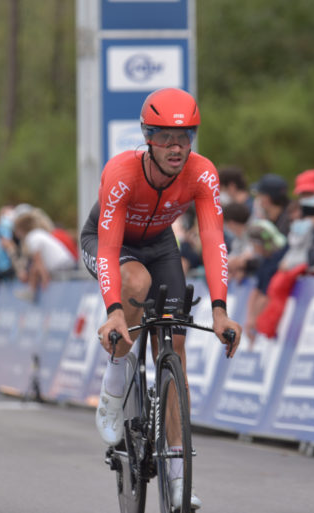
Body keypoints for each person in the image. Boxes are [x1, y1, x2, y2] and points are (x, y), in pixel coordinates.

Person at [80, 87, 242, 510]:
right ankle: (115, 380)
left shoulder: (202, 173)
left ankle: (177, 475)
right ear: (148, 138)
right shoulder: (122, 172)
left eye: (184, 137)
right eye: (166, 137)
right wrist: (115, 312)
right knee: (135, 281)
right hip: (108, 242)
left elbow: (213, 240)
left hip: (160, 244)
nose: (176, 147)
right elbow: (109, 249)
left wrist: (220, 310)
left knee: (175, 351)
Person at [13, 211, 77, 300]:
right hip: (65, 263)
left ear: (21, 229)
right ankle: (31, 291)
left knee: (34, 268)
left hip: (62, 265)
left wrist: (45, 279)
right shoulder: (38, 234)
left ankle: (31, 292)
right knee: (34, 268)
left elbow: (38, 261)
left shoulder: (32, 237)